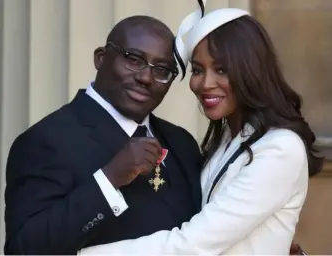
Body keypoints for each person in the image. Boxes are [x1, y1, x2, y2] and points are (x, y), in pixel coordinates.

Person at [79, 7, 323, 255]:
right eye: (197, 70)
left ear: (251, 70)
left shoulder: (280, 148)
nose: (205, 84)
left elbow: (192, 245)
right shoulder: (228, 141)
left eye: (221, 69)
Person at [4, 15, 203, 255]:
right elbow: (25, 249)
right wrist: (108, 180)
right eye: (133, 59)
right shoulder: (45, 140)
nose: (146, 78)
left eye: (162, 70)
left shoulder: (182, 143)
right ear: (101, 58)